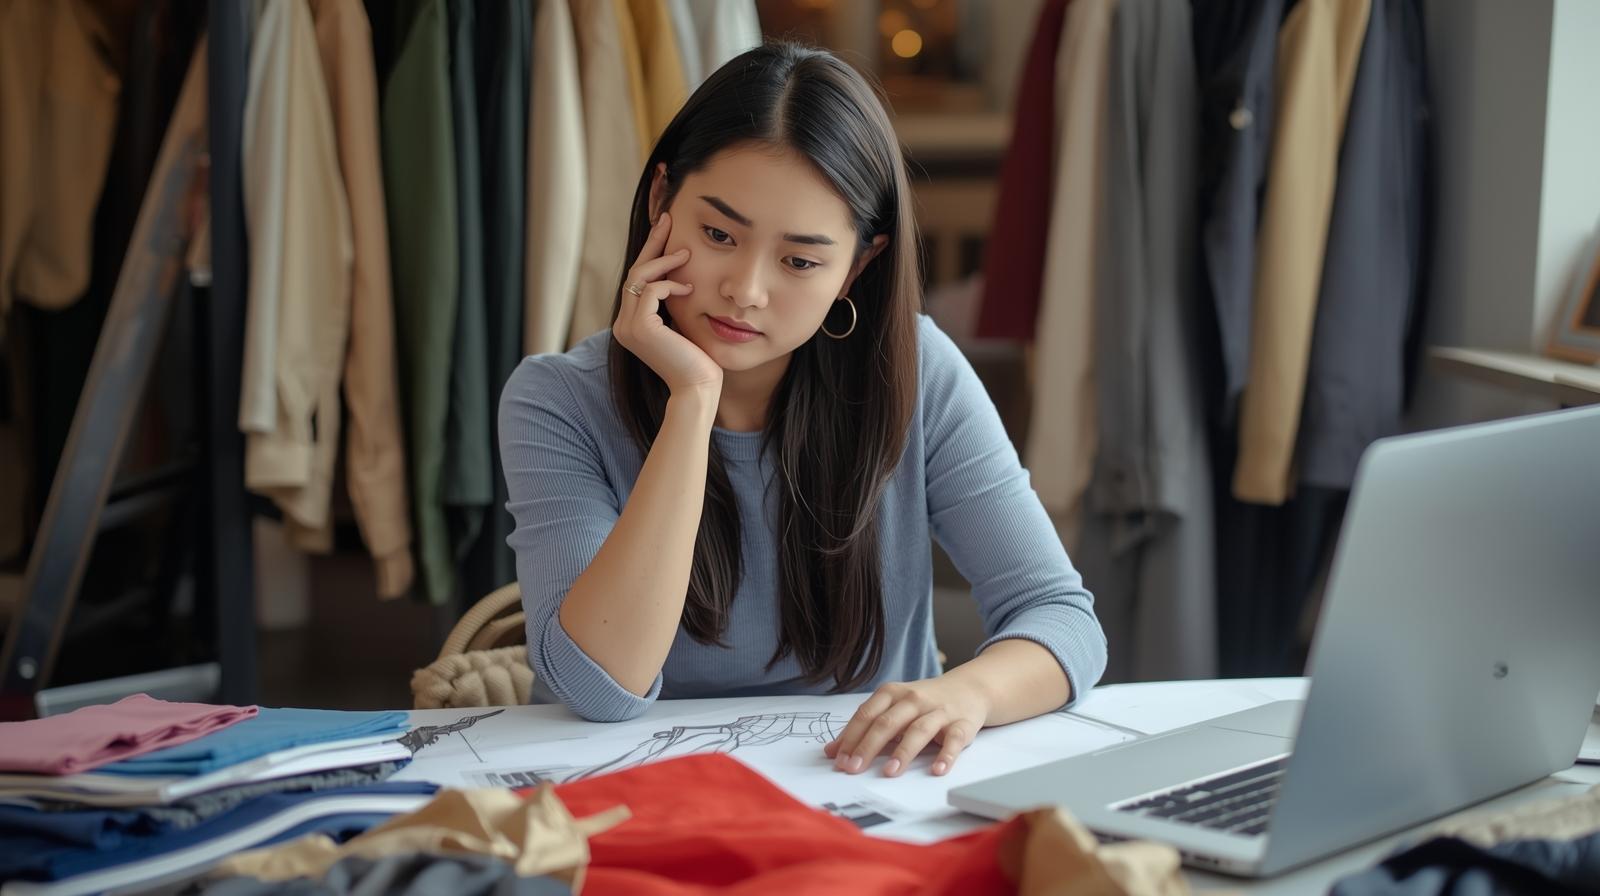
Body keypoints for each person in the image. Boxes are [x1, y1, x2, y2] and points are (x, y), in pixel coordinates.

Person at [499, 42, 1106, 778]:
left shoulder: (915, 373)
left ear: (858, 265)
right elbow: (600, 688)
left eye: (800, 261)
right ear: (660, 202)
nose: (746, 290)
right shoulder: (556, 399)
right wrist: (693, 402)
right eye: (718, 235)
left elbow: (1062, 618)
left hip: (863, 791)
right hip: (640, 797)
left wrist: (968, 692)